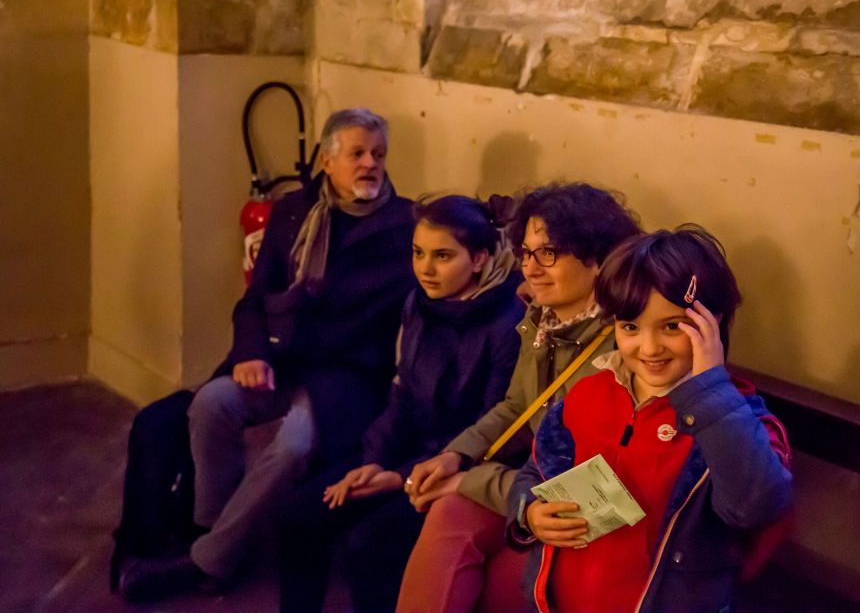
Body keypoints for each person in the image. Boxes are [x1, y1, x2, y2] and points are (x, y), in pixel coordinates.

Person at [120, 108, 416, 601]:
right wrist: (251, 352)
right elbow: (256, 298)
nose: (371, 164)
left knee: (294, 447)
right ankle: (216, 530)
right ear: (327, 161)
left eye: (378, 154)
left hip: (345, 377)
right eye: (358, 154)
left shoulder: (403, 227)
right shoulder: (294, 212)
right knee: (211, 404)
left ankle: (207, 562)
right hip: (284, 358)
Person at [508, 227, 794, 613]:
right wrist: (528, 512)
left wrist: (710, 392)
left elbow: (756, 507)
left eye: (672, 326)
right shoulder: (587, 393)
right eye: (630, 327)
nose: (649, 347)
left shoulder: (737, 418)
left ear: (713, 321)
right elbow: (535, 472)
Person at [396, 182, 642, 613]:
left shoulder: (625, 346)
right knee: (449, 509)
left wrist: (472, 480)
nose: (530, 268)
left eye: (548, 253)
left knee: (502, 580)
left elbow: (602, 490)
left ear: (599, 259)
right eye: (526, 253)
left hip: (587, 514)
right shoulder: (543, 319)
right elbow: (518, 406)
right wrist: (456, 455)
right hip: (534, 486)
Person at [276, 194, 525, 612]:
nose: (425, 268)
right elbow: (405, 393)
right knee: (299, 515)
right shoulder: (419, 303)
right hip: (407, 453)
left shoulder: (508, 322)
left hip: (459, 467)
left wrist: (401, 477)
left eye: (443, 256)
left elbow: (489, 430)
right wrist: (374, 460)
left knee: (370, 543)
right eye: (418, 252)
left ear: (479, 259)